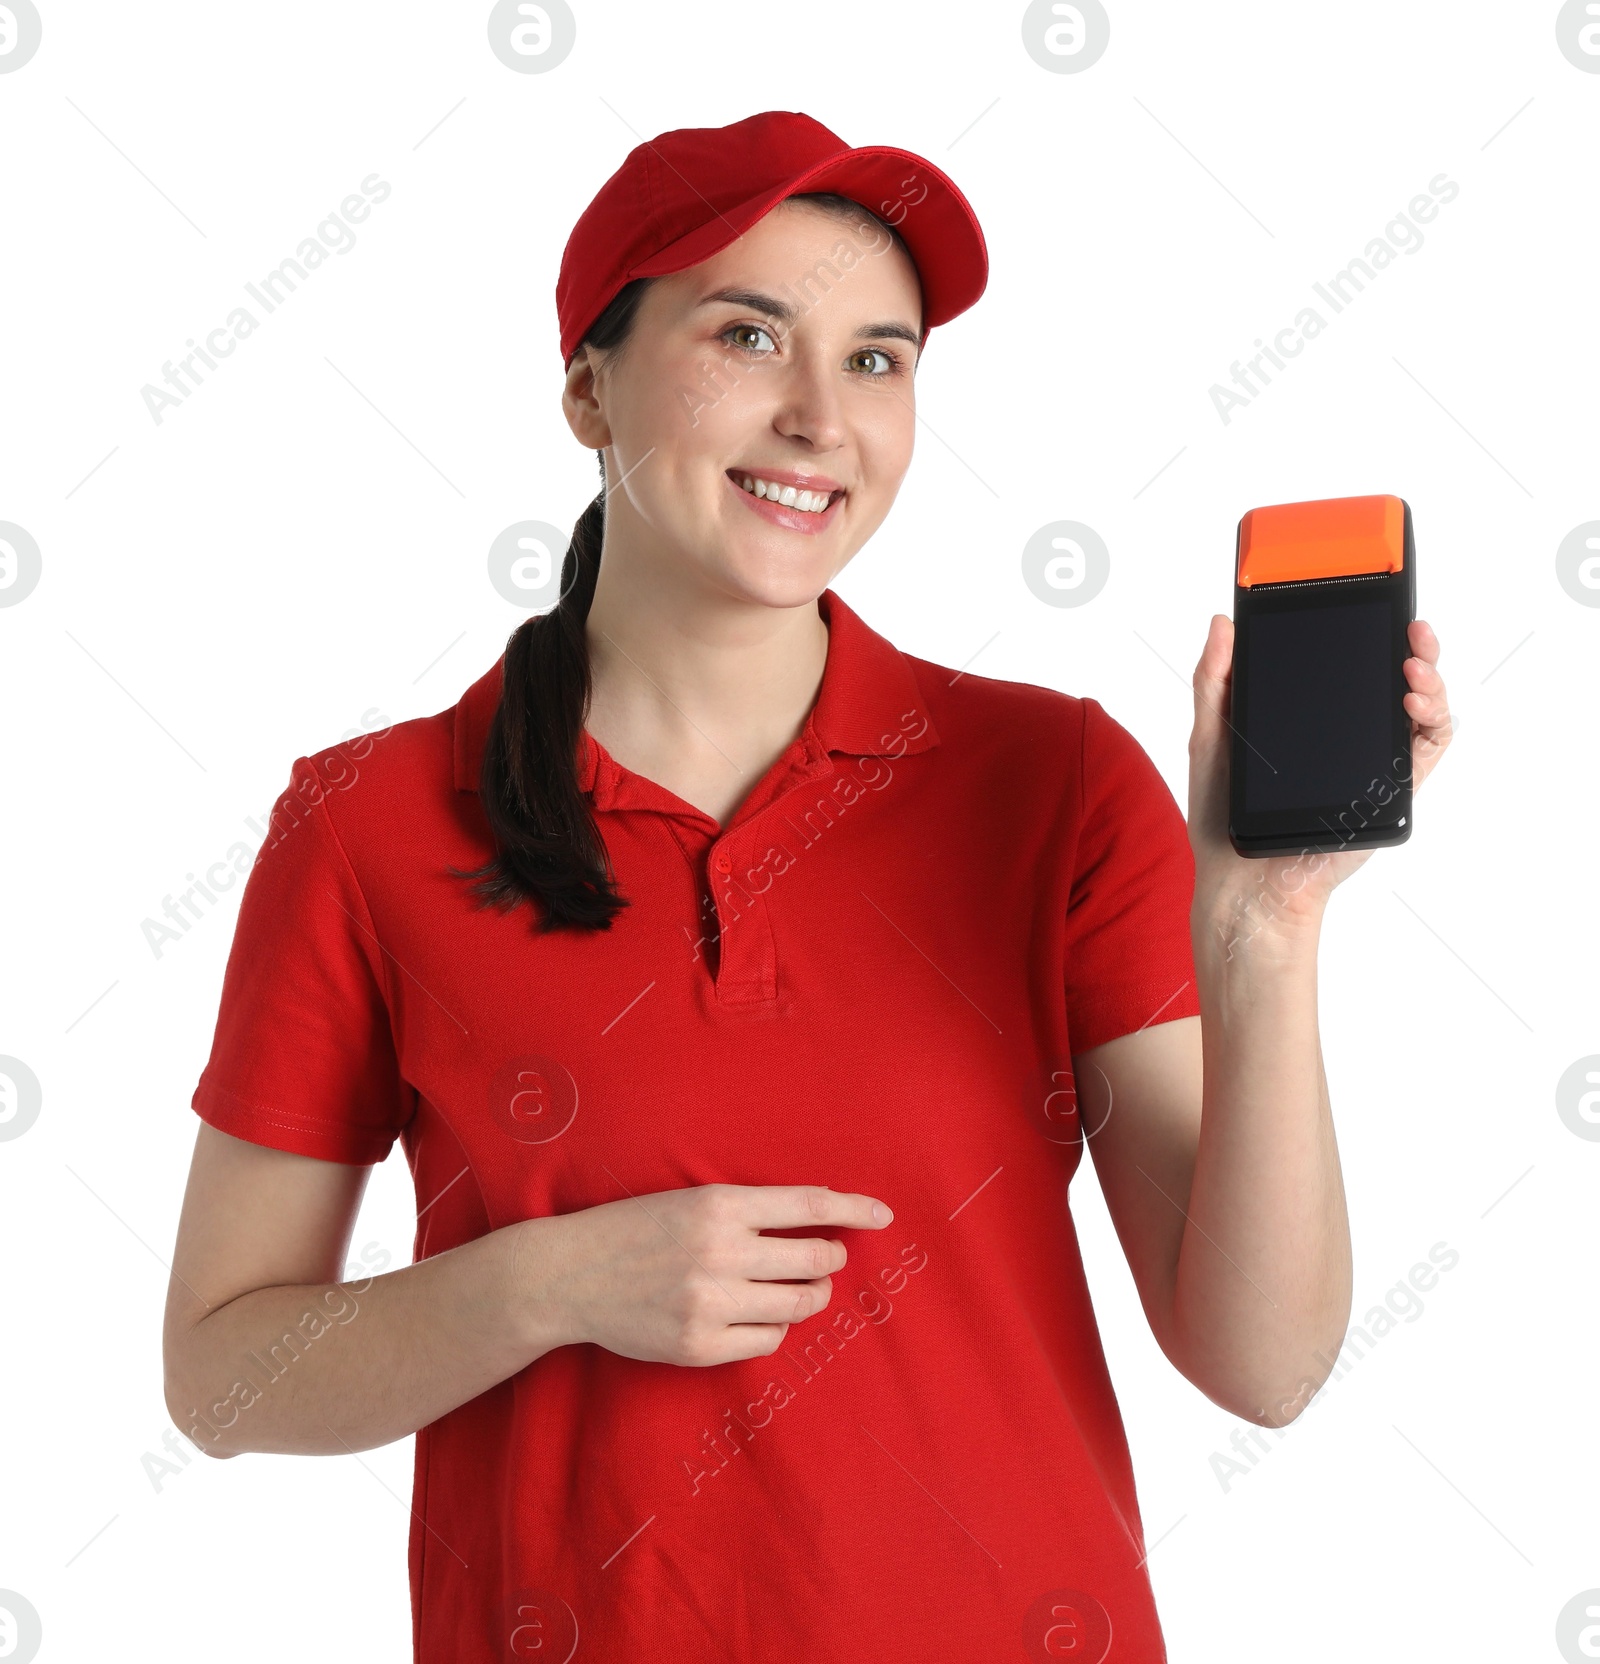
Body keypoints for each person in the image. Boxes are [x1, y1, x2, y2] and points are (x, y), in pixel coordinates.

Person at [162, 109, 1454, 1662]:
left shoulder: (1050, 783)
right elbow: (220, 1375)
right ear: (588, 383)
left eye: (876, 358)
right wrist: (551, 1283)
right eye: (748, 334)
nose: (818, 416)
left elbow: (1266, 1364)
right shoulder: (367, 823)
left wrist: (1264, 923)